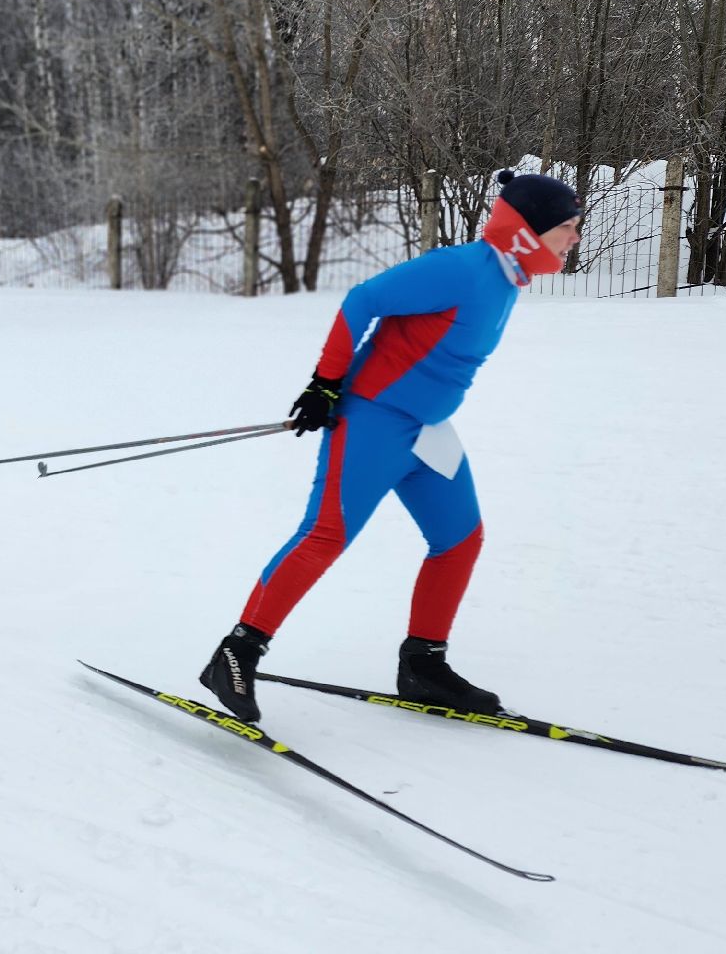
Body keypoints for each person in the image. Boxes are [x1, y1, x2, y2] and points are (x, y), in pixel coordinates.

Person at [200, 169, 584, 723]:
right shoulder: (461, 269)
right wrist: (325, 383)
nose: (574, 238)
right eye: (567, 226)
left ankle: (423, 665)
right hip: (374, 423)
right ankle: (236, 654)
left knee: (460, 539)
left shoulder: (506, 280)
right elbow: (363, 299)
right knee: (325, 536)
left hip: (427, 432)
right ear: (529, 230)